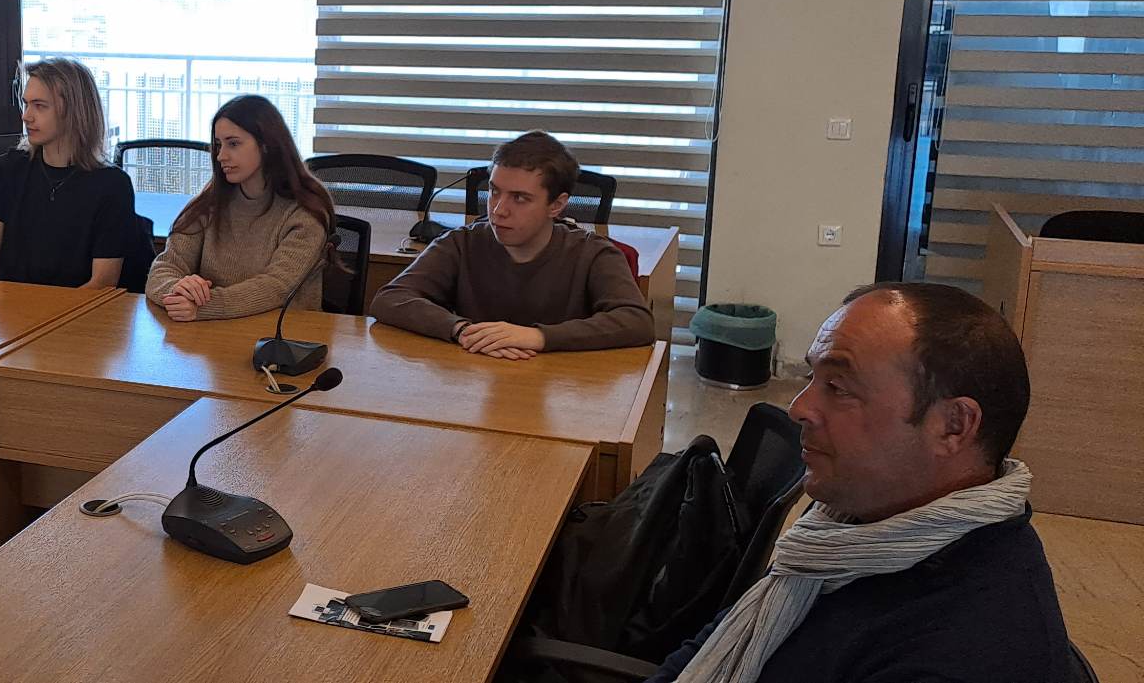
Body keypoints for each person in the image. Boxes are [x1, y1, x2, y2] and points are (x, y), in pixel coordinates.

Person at [646, 282, 1081, 683]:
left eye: (838, 387)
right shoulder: (853, 517)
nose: (799, 408)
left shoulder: (966, 648)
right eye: (811, 378)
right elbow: (727, 631)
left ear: (953, 425)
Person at [369, 130, 652, 357]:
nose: (498, 210)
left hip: (562, 391)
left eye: (519, 198)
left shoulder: (594, 253)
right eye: (494, 192)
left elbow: (637, 322)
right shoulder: (461, 243)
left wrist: (538, 337)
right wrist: (462, 330)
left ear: (556, 205)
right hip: (476, 382)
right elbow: (390, 299)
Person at [145, 95, 333, 321]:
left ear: (266, 145)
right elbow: (165, 267)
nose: (221, 156)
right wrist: (177, 291)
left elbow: (276, 287)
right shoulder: (210, 201)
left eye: (233, 144)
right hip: (212, 332)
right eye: (218, 145)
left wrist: (203, 307)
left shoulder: (305, 211)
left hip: (283, 333)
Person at [0, 57, 137, 290]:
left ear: (74, 112)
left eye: (40, 106)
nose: (26, 116)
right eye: (26, 104)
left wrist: (48, 313)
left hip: (78, 310)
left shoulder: (112, 185)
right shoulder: (5, 170)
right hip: (8, 306)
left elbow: (102, 283)